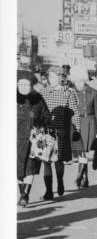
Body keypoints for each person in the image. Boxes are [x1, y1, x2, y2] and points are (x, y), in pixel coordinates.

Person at [39, 67, 80, 200]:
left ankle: (60, 181)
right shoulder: (43, 92)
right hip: (46, 131)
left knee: (58, 160)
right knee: (46, 161)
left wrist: (77, 129)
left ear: (59, 77)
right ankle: (49, 191)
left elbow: (75, 111)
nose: (51, 79)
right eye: (49, 77)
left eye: (53, 77)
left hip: (62, 130)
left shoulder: (68, 93)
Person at [17, 72, 51, 207]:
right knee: (17, 170)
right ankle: (22, 194)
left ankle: (25, 195)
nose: (23, 87)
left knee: (30, 169)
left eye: (26, 84)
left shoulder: (38, 100)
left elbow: (47, 118)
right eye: (21, 84)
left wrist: (39, 128)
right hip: (15, 141)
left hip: (33, 141)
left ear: (31, 86)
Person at [70, 65, 97, 188]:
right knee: (81, 151)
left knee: (85, 151)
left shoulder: (94, 92)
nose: (78, 84)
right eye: (76, 81)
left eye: (80, 81)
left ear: (84, 80)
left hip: (90, 122)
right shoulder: (70, 92)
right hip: (77, 123)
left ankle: (82, 176)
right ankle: (83, 176)